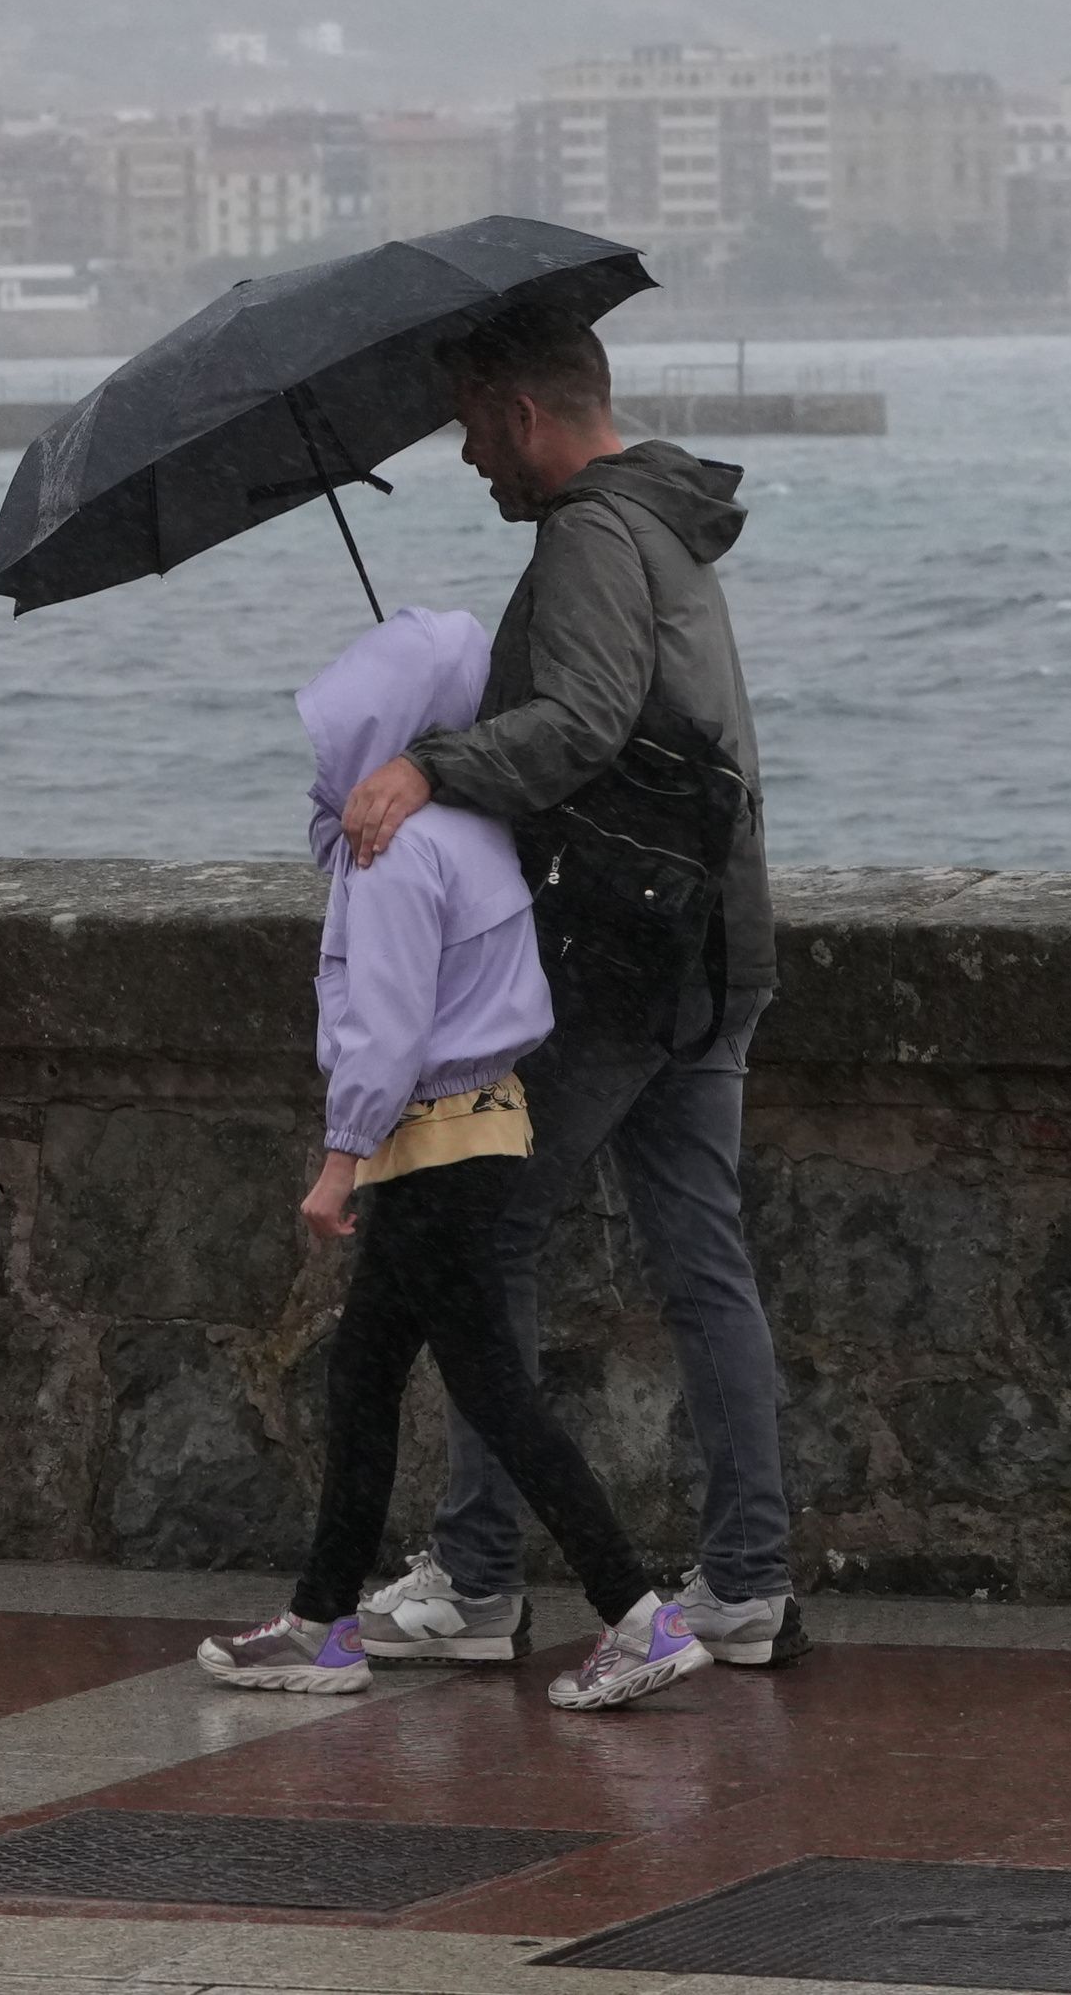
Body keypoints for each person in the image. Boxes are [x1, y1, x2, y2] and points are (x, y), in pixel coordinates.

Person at [332, 302, 794, 1669]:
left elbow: (587, 721)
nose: (470, 459)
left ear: (524, 415)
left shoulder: (590, 528)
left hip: (620, 965)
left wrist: (430, 763)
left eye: (473, 428)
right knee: (702, 1257)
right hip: (711, 946)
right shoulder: (663, 524)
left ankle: (476, 1578)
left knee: (482, 1238)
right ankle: (747, 1580)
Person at [198, 596, 707, 1714]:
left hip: (426, 1144)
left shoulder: (389, 852)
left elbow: (383, 1031)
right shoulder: (476, 824)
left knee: (492, 1390)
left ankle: (637, 1616)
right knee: (367, 1374)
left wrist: (339, 1162)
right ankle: (319, 1622)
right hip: (484, 1125)